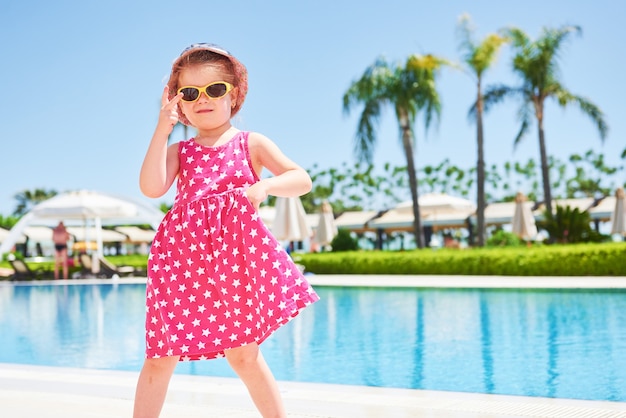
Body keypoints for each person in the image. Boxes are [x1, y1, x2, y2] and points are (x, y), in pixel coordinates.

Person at [135, 43, 320, 418]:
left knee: (244, 354)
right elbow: (152, 188)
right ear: (178, 103)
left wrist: (265, 186)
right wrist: (162, 127)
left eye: (214, 89)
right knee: (161, 354)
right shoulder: (181, 152)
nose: (202, 99)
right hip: (181, 261)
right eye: (190, 93)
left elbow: (302, 178)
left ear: (232, 94)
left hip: (234, 261)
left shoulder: (250, 143)